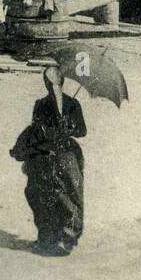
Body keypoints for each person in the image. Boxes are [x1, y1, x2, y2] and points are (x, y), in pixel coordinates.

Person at [11, 68, 87, 255]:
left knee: (42, 196)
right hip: (68, 156)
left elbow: (36, 130)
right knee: (70, 196)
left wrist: (55, 131)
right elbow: (82, 131)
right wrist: (69, 129)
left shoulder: (41, 104)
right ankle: (66, 237)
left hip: (46, 156)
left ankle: (49, 239)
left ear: (46, 83)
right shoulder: (73, 103)